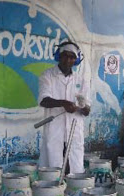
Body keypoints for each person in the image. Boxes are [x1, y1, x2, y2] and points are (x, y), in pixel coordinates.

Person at [38, 41, 91, 173]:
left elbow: (87, 110)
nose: (68, 60)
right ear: (59, 56)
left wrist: (83, 107)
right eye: (65, 56)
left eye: (72, 57)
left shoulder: (81, 80)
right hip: (55, 128)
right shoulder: (48, 76)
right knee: (53, 168)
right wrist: (63, 103)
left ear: (76, 59)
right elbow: (44, 100)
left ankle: (74, 192)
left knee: (75, 167)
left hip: (75, 128)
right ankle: (53, 192)